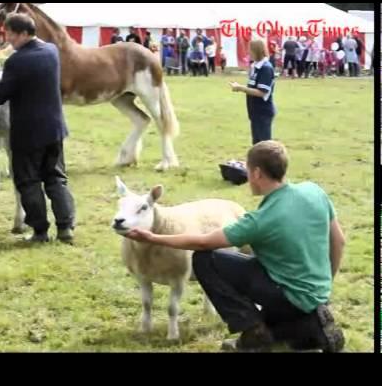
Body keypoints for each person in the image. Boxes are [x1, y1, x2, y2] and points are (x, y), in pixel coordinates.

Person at [126, 140, 346, 353]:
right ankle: (308, 325)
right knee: (283, 309)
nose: (246, 176)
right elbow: (339, 241)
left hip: (286, 295)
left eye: (247, 169)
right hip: (316, 293)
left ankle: (254, 332)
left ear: (257, 173)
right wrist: (323, 287)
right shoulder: (314, 191)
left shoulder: (260, 220)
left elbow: (203, 243)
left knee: (205, 259)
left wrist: (152, 238)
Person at [0, 13, 76, 245]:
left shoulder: (17, 61)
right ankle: (66, 228)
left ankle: (39, 231)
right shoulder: (51, 51)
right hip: (54, 128)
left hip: (28, 133)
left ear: (23, 34)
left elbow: (1, 94)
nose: (8, 41)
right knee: (57, 179)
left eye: (10, 36)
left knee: (28, 182)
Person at [229, 40, 276, 145]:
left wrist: (241, 88)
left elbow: (262, 92)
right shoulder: (255, 67)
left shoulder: (266, 68)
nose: (248, 52)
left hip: (263, 112)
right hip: (255, 111)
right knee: (256, 144)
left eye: (250, 50)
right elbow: (253, 87)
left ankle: (267, 162)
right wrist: (240, 87)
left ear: (257, 51)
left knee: (264, 146)